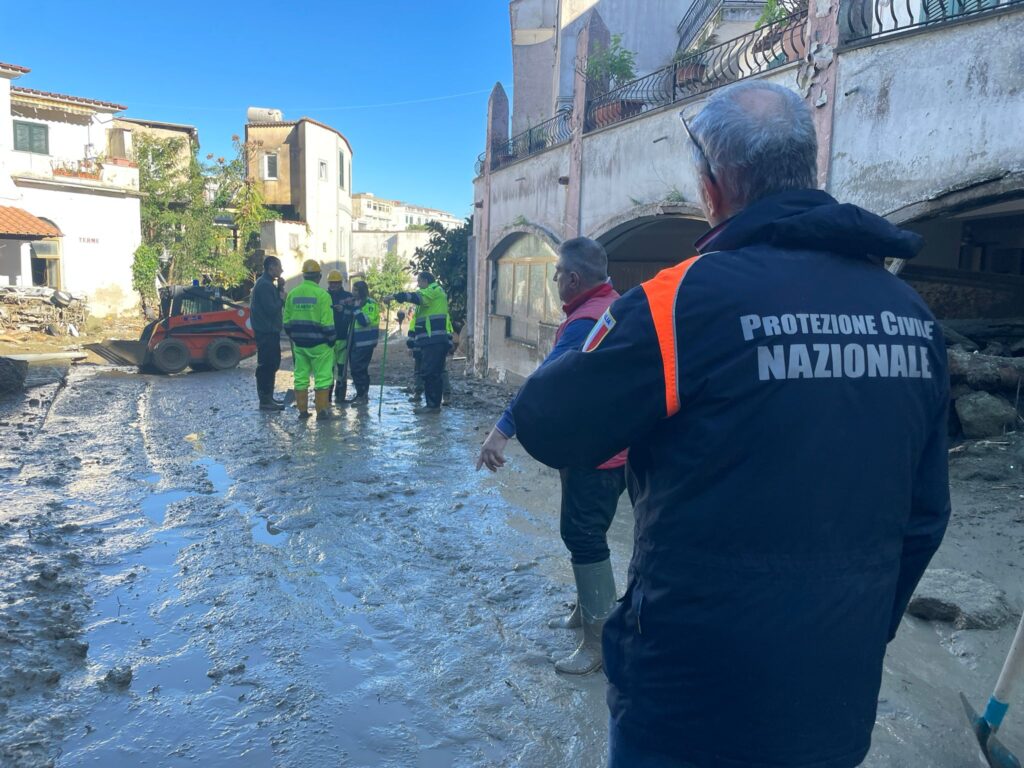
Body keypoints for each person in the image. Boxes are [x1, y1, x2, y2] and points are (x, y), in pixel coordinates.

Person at [508, 81, 951, 767]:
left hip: (690, 696)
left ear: (711, 187)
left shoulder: (678, 301)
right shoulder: (911, 315)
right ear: (806, 168)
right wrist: (859, 626)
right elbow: (926, 517)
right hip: (834, 696)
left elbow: (547, 423)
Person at [476, 237, 628, 675]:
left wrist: (500, 432)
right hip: (611, 443)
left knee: (583, 535)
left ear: (574, 279)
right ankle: (587, 609)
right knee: (586, 531)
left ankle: (598, 642)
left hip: (596, 452)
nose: (555, 278)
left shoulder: (585, 323)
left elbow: (543, 383)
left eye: (557, 272)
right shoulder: (611, 306)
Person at [283, 259, 336, 421]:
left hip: (300, 344)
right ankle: (322, 411)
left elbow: (286, 323)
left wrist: (294, 337)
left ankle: (303, 411)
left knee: (300, 377)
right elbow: (327, 324)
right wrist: (332, 340)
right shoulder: (323, 295)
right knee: (323, 377)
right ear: (319, 276)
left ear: (304, 275)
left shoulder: (292, 294)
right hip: (320, 345)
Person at [389, 273, 450, 413]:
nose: (418, 285)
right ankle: (433, 405)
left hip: (433, 340)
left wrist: (395, 296)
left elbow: (415, 297)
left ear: (425, 281)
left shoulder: (433, 290)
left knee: (430, 373)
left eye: (419, 282)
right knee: (434, 372)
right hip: (434, 340)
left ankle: (432, 406)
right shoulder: (437, 292)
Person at [249, 255, 285, 411]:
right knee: (267, 365)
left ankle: (268, 397)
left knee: (272, 363)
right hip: (266, 332)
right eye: (279, 267)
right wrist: (281, 299)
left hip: (269, 330)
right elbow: (271, 308)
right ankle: (265, 400)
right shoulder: (264, 285)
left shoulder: (267, 284)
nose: (281, 270)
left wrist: (279, 288)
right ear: (271, 268)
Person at [346, 280, 380, 403]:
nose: (353, 292)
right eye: (353, 289)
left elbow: (365, 321)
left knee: (358, 369)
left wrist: (356, 309)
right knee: (358, 369)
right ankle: (362, 394)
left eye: (355, 290)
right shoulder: (356, 302)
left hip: (365, 342)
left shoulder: (370, 304)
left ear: (362, 291)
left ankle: (362, 395)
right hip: (355, 341)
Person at [326, 270, 354, 403]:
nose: (334, 285)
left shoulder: (348, 296)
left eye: (336, 283)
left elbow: (353, 314)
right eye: (332, 283)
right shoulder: (324, 296)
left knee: (342, 368)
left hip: (343, 337)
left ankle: (340, 395)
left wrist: (343, 310)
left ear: (340, 283)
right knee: (329, 368)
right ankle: (327, 396)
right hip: (328, 339)